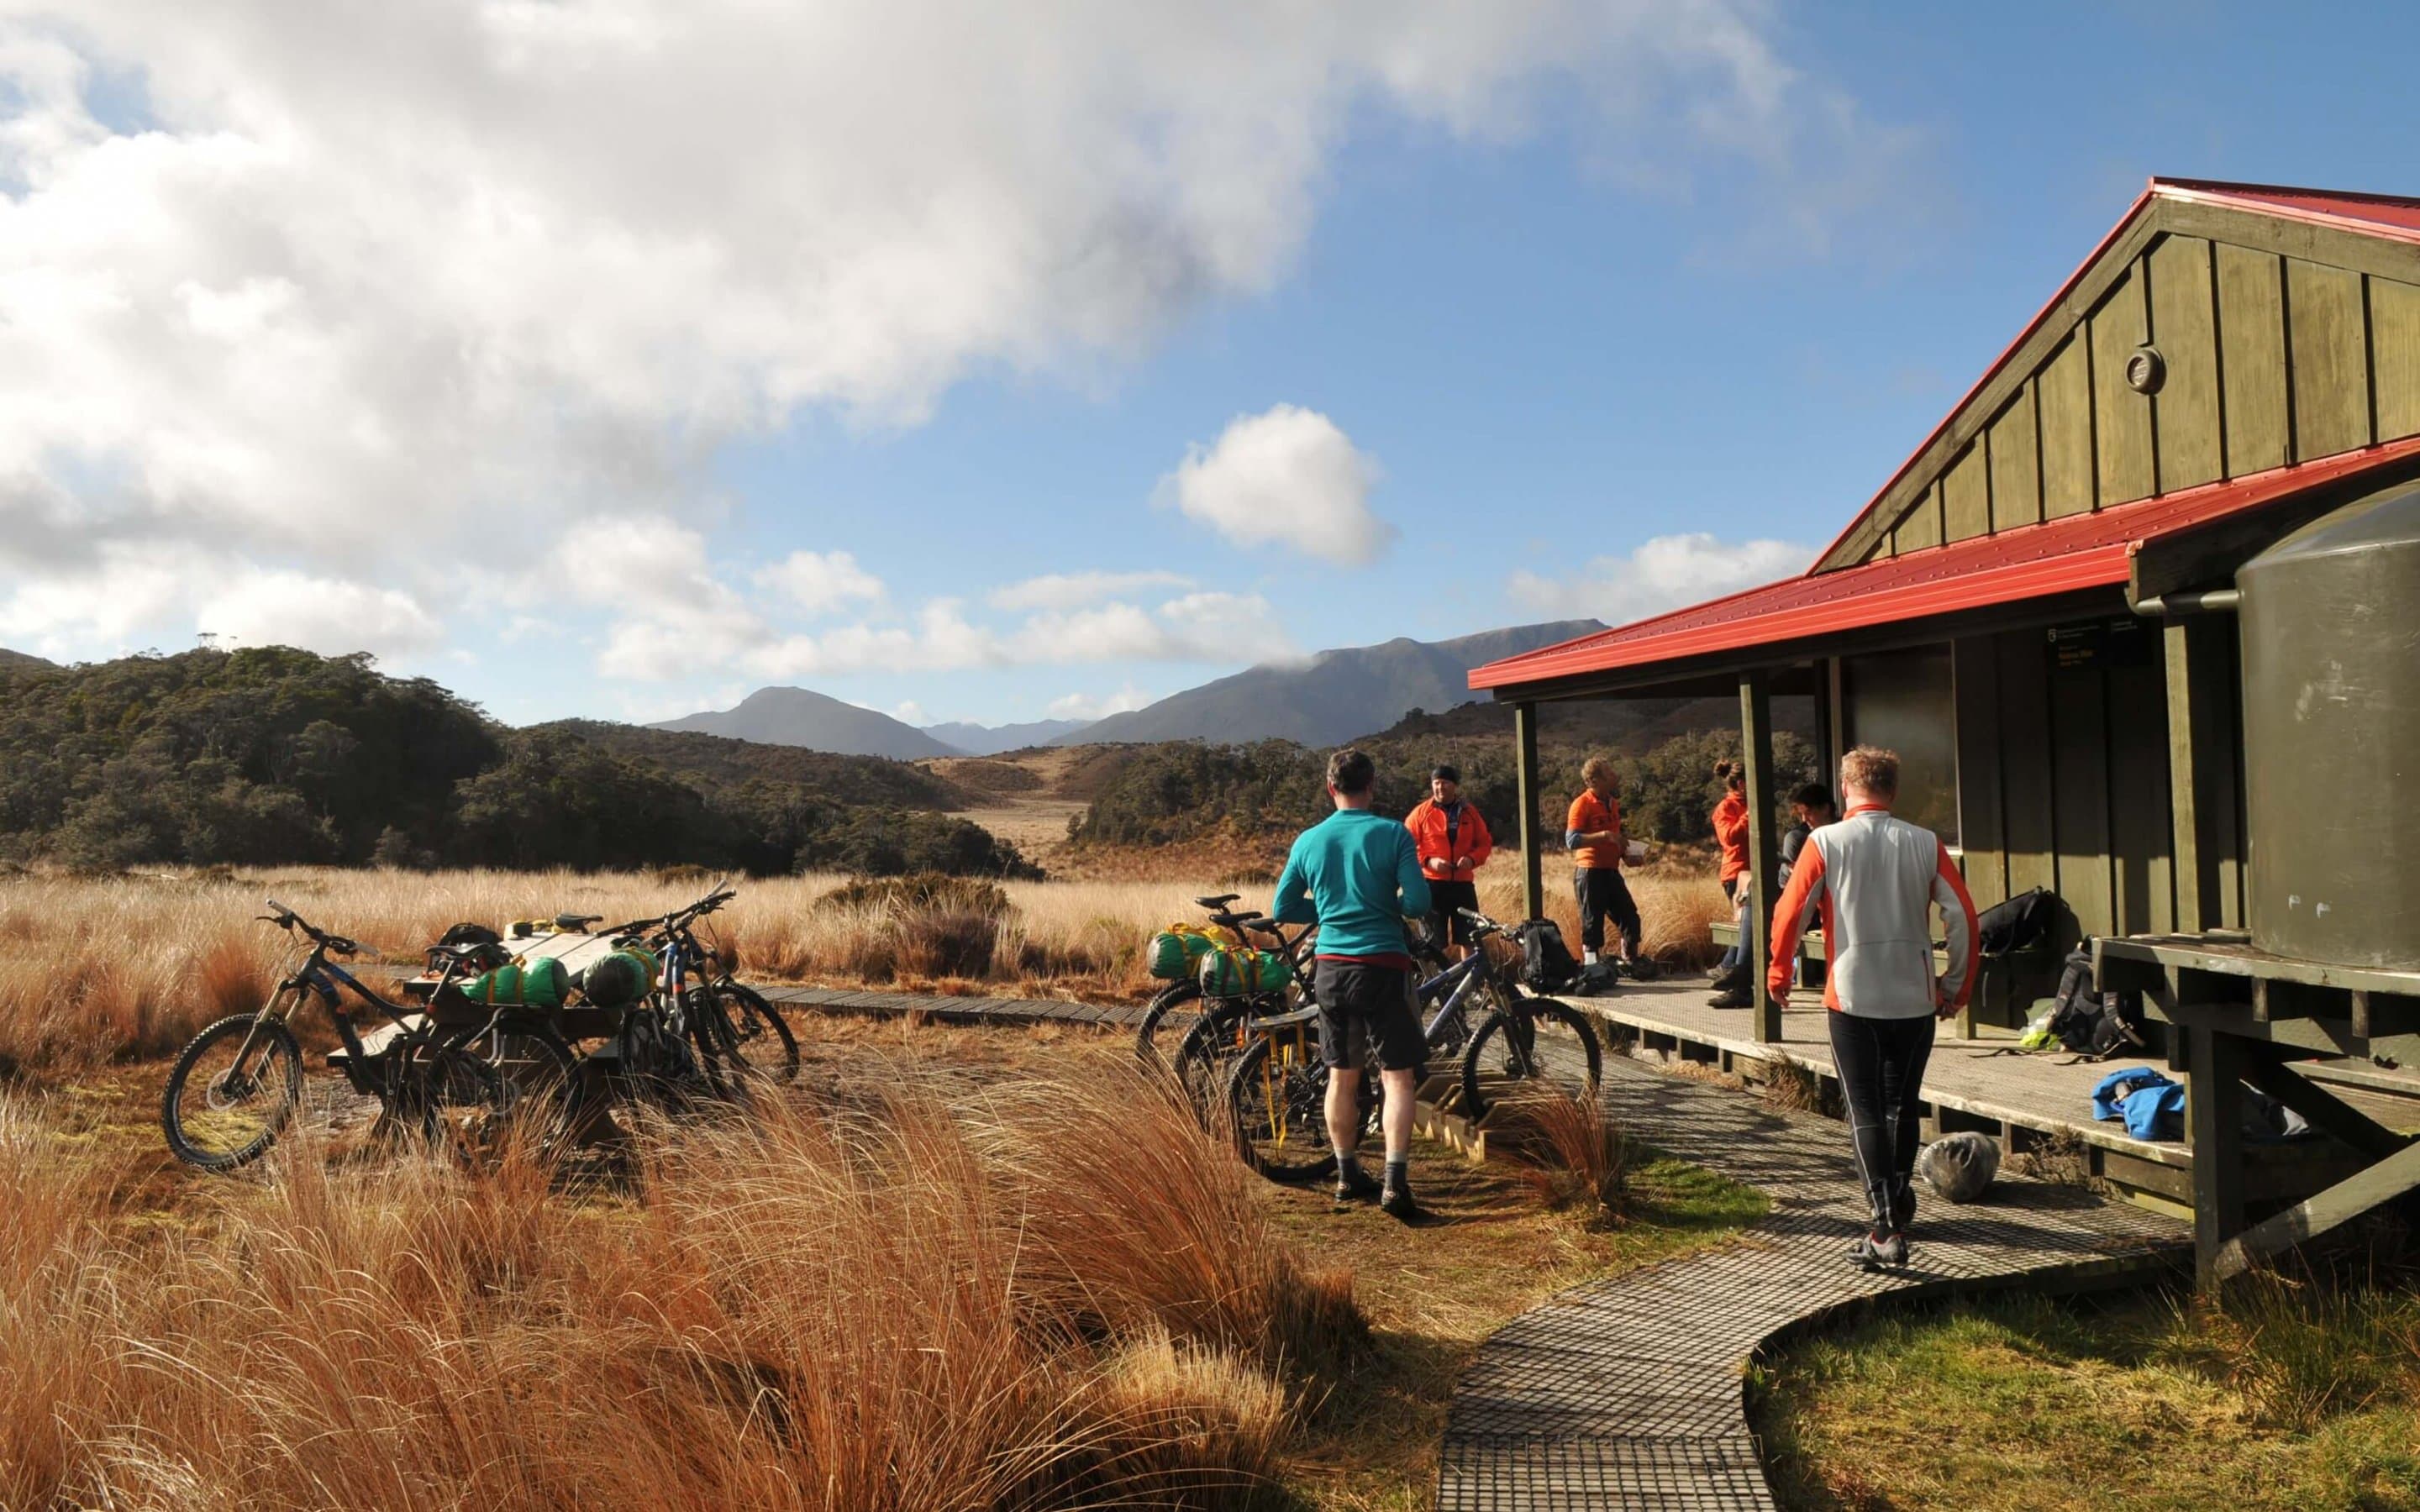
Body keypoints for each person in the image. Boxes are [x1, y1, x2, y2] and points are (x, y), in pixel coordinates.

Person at [1768, 746, 1979, 1271]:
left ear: (1845, 789)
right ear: (1893, 790)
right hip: (1914, 995)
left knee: (1863, 1108)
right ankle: (1898, 1202)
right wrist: (1956, 986)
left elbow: (1790, 913)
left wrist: (1779, 972)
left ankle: (1884, 1228)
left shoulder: (1824, 841)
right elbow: (1963, 919)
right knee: (1902, 1104)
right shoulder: (1926, 842)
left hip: (1852, 993)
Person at [1271, 747, 1433, 1221]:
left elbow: (1283, 908)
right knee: (1397, 1076)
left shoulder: (1309, 840)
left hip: (1332, 969)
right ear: (1372, 786)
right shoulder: (1393, 833)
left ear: (1330, 788)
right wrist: (1381, 903)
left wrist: (1328, 910)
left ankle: (1347, 1175)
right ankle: (1395, 1185)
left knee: (1341, 1075)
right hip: (1384, 965)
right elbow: (1418, 903)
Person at [1405, 764, 1493, 961]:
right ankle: (1436, 979)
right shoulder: (1421, 813)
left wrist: (1472, 859)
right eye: (1436, 783)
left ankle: (1470, 978)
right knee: (1432, 942)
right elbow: (1406, 845)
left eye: (1445, 783)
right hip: (1432, 885)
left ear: (1455, 785)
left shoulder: (1469, 812)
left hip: (1462, 885)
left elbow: (1484, 843)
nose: (1440, 787)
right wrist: (1428, 861)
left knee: (1470, 938)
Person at [1565, 756, 1644, 969]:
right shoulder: (1582, 804)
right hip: (1590, 872)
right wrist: (1605, 836)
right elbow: (1572, 840)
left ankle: (1631, 962)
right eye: (1608, 773)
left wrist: (1627, 855)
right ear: (1595, 780)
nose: (1614, 775)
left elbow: (1616, 836)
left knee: (1629, 917)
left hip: (1611, 870)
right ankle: (1592, 969)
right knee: (1592, 923)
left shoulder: (1612, 803)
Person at [1707, 761, 1753, 1007]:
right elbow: (1729, 838)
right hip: (1736, 873)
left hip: (1755, 872)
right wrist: (1747, 817)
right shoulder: (1726, 807)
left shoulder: (1749, 804)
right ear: (1742, 783)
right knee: (1745, 921)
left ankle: (1726, 968)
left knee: (1746, 925)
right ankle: (1729, 970)